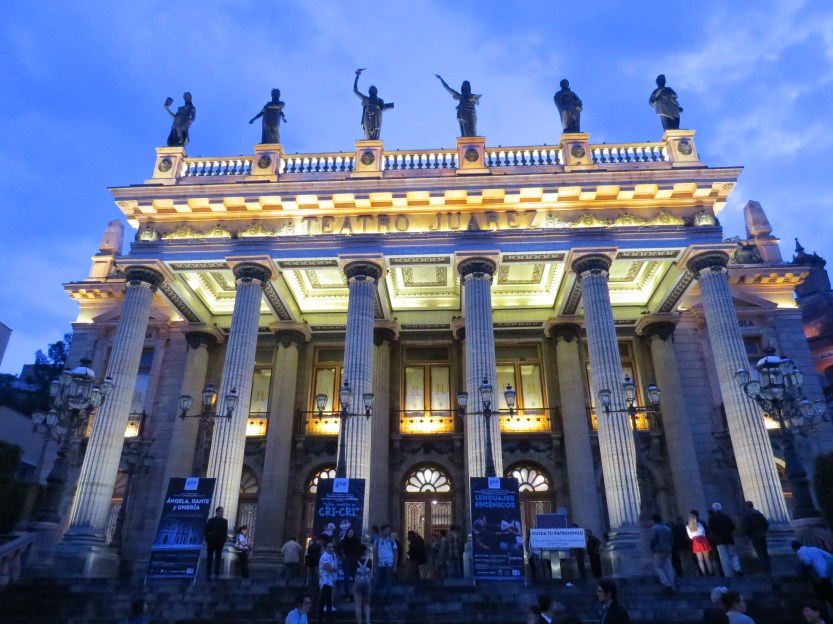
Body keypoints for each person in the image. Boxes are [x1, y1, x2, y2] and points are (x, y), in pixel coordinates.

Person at [353, 69, 394, 141]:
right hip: (368, 115)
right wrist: (357, 77)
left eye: (374, 89)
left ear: (376, 91)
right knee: (368, 132)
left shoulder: (379, 100)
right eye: (371, 89)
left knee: (376, 131)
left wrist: (392, 105)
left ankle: (374, 146)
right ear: (369, 92)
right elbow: (355, 90)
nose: (373, 90)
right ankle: (370, 146)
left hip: (377, 115)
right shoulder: (366, 99)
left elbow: (383, 107)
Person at [793, 540, 833, 612]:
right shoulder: (814, 548)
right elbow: (828, 555)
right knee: (830, 597)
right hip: (826, 575)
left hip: (817, 578)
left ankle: (825, 617)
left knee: (821, 599)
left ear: (795, 548)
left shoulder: (800, 551)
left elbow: (808, 561)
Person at [708, 503, 742, 577]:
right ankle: (737, 568)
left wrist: (715, 535)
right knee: (733, 555)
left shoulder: (712, 518)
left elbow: (710, 529)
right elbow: (732, 526)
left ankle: (728, 574)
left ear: (714, 509)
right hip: (729, 538)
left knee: (724, 557)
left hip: (719, 540)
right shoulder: (726, 516)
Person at [741, 501, 770, 573]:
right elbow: (766, 524)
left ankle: (765, 570)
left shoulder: (746, 515)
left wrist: (748, 534)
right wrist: (763, 531)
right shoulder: (759, 514)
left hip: (754, 535)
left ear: (746, 506)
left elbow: (746, 526)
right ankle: (768, 568)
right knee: (765, 552)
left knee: (760, 553)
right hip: (762, 534)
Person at [650, 513, 676, 595]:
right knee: (669, 567)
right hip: (668, 549)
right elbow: (672, 539)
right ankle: (673, 584)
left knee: (657, 567)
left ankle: (666, 583)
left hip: (659, 550)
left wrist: (651, 547)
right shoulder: (667, 528)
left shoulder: (654, 528)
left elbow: (653, 539)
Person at [204, 506, 228, 580]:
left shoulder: (225, 521)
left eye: (222, 511)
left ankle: (216, 572)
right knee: (209, 558)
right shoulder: (211, 520)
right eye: (220, 511)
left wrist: (223, 540)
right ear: (217, 512)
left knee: (218, 558)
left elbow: (225, 532)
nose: (222, 513)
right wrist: (208, 539)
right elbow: (206, 531)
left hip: (220, 543)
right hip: (211, 542)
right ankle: (208, 572)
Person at [373, 524, 397, 599]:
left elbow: (395, 553)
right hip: (380, 564)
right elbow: (375, 555)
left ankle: (388, 602)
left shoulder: (391, 541)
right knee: (377, 582)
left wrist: (395, 565)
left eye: (389, 530)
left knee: (388, 583)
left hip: (389, 564)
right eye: (386, 530)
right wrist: (375, 566)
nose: (388, 531)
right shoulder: (377, 541)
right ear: (382, 531)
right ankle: (377, 599)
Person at [318, 540, 338, 624]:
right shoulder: (325, 557)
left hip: (329, 581)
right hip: (325, 581)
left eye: (332, 547)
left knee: (323, 601)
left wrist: (333, 568)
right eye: (329, 547)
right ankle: (329, 620)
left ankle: (320, 619)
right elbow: (329, 568)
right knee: (328, 601)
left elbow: (333, 567)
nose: (331, 549)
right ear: (325, 548)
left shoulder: (332, 556)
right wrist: (334, 568)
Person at [338, 527, 360, 600]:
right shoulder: (344, 541)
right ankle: (347, 594)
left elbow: (361, 549)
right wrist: (342, 554)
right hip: (346, 559)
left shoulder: (356, 540)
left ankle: (354, 595)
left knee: (355, 577)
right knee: (346, 577)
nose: (350, 534)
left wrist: (358, 557)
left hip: (354, 560)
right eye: (349, 532)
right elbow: (338, 548)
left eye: (352, 532)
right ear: (347, 533)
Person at [353, 544, 372, 624]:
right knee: (366, 603)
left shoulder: (355, 561)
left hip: (358, 583)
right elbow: (370, 571)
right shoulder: (369, 560)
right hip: (367, 583)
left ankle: (359, 622)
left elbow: (352, 572)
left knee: (358, 605)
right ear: (364, 551)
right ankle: (367, 620)